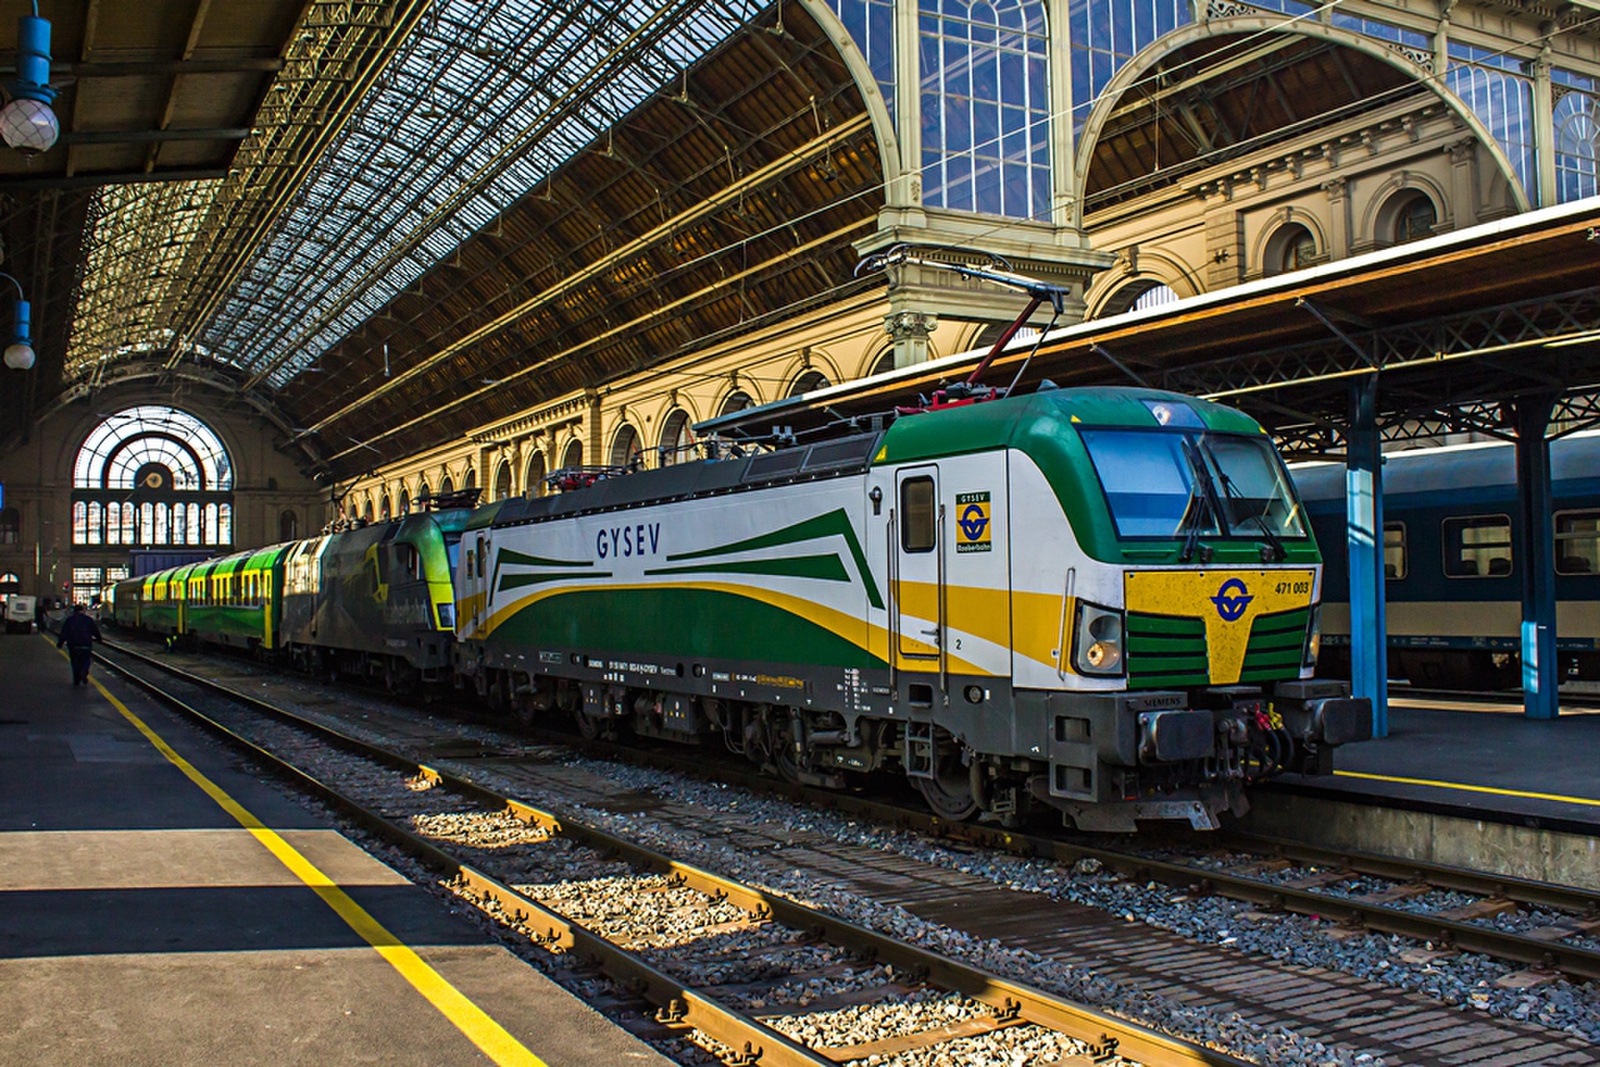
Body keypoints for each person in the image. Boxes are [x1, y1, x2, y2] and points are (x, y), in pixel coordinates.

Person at [57, 604, 103, 686]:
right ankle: (84, 672)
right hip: (86, 643)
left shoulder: (69, 620)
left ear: (74, 611)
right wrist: (99, 639)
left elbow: (64, 632)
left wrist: (60, 643)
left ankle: (76, 678)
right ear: (83, 611)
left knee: (74, 661)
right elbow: (95, 630)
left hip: (73, 644)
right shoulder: (88, 619)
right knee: (86, 660)